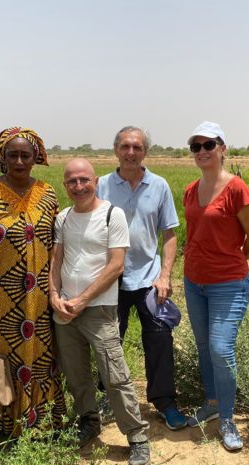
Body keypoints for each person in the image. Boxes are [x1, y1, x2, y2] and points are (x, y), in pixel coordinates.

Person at [50, 159, 151, 465]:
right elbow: (57, 260)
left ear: (95, 181)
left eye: (84, 180)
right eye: (71, 182)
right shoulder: (63, 218)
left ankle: (137, 437)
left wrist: (82, 299)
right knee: (76, 372)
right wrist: (54, 296)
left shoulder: (111, 214)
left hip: (98, 309)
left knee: (115, 374)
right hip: (65, 308)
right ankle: (88, 421)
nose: (79, 187)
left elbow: (116, 265)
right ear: (65, 185)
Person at [0, 127, 66, 437]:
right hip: (0, 301)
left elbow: (58, 246)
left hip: (41, 298)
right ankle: (2, 428)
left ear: (36, 157)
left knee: (41, 359)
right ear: (1, 157)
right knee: (2, 361)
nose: (19, 161)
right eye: (13, 155)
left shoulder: (47, 194)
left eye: (26, 155)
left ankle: (43, 427)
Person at [96, 126, 187, 430]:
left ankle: (164, 402)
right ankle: (108, 400)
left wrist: (165, 275)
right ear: (115, 150)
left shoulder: (159, 185)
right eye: (125, 146)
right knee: (109, 340)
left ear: (145, 151)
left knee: (159, 338)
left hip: (149, 278)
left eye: (137, 147)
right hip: (113, 278)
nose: (131, 153)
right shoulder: (101, 186)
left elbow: (170, 233)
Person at [183, 121, 249, 451]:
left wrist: (232, 261)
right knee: (204, 346)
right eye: (196, 146)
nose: (202, 151)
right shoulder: (191, 189)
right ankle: (212, 403)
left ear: (223, 149)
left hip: (228, 284)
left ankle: (228, 418)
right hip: (194, 281)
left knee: (220, 347)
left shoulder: (236, 190)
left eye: (209, 145)